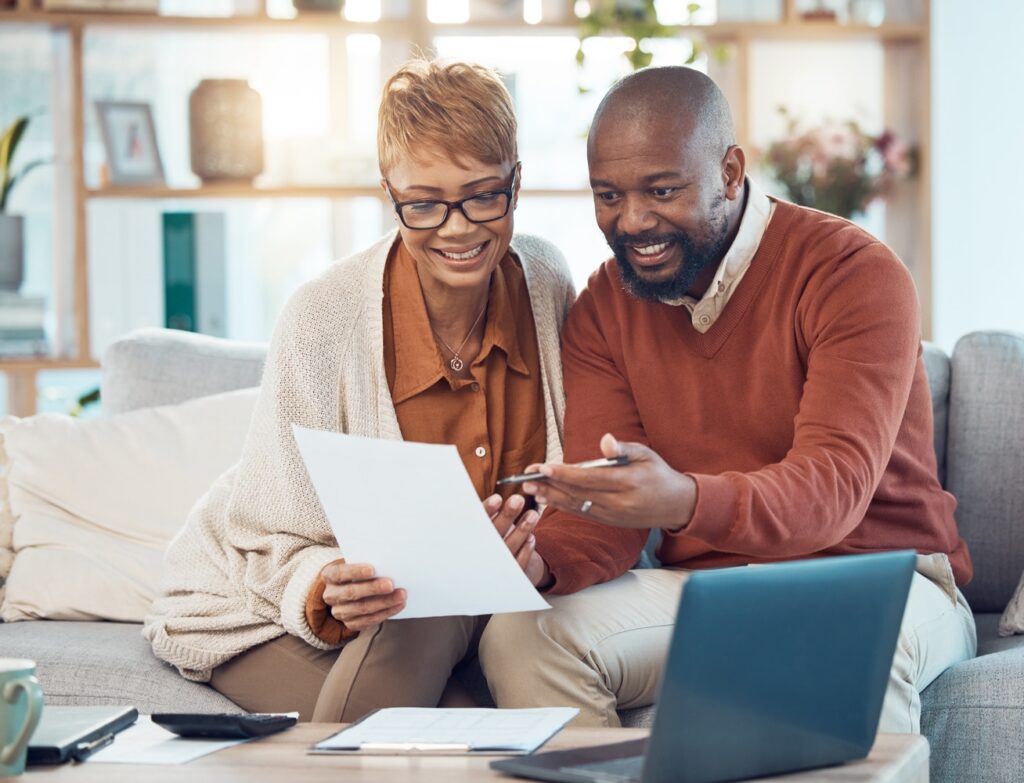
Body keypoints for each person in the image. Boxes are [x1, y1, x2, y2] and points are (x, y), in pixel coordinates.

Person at [477, 66, 976, 734]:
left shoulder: (853, 274)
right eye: (608, 195)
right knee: (520, 633)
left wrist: (681, 498)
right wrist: (540, 562)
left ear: (731, 172)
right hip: (714, 588)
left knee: (838, 643)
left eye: (662, 190)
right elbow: (606, 509)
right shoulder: (604, 308)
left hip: (881, 577)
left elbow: (832, 490)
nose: (632, 221)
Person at [143, 58, 574, 721]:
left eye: (484, 195)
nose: (457, 228)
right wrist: (326, 583)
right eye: (424, 203)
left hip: (460, 618)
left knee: (444, 635)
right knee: (427, 633)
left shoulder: (546, 283)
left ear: (517, 180)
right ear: (388, 192)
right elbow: (266, 530)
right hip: (269, 613)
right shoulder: (324, 315)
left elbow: (577, 498)